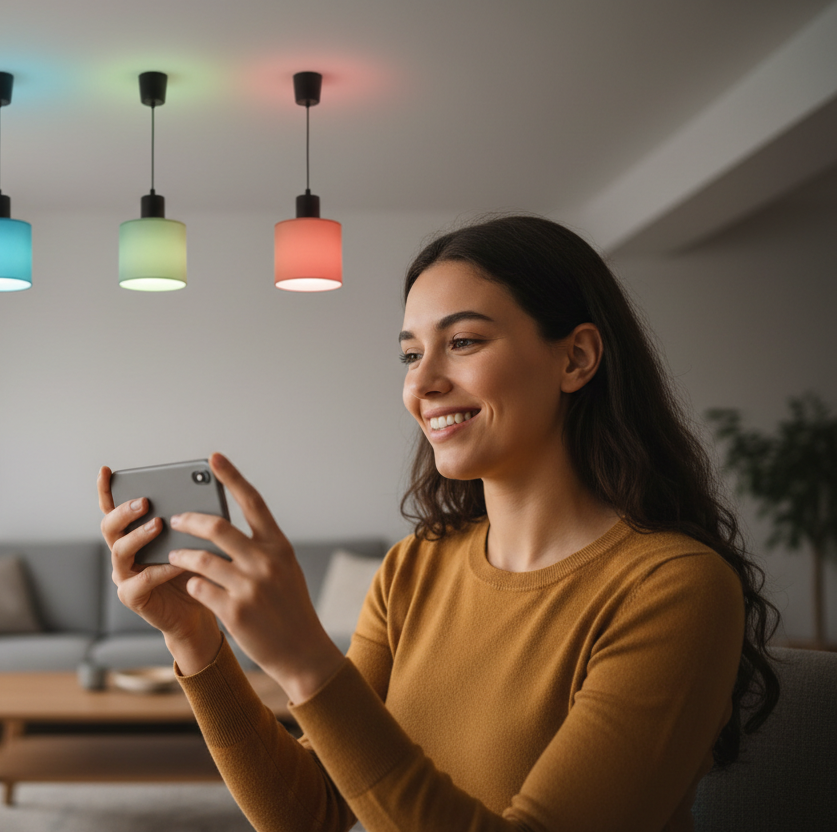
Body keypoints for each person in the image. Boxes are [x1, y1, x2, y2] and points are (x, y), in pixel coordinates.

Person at [97, 215, 778, 831]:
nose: (421, 384)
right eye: (410, 354)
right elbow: (310, 814)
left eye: (463, 341)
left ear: (576, 359)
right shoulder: (414, 568)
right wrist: (195, 640)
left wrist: (306, 662)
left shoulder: (674, 589)